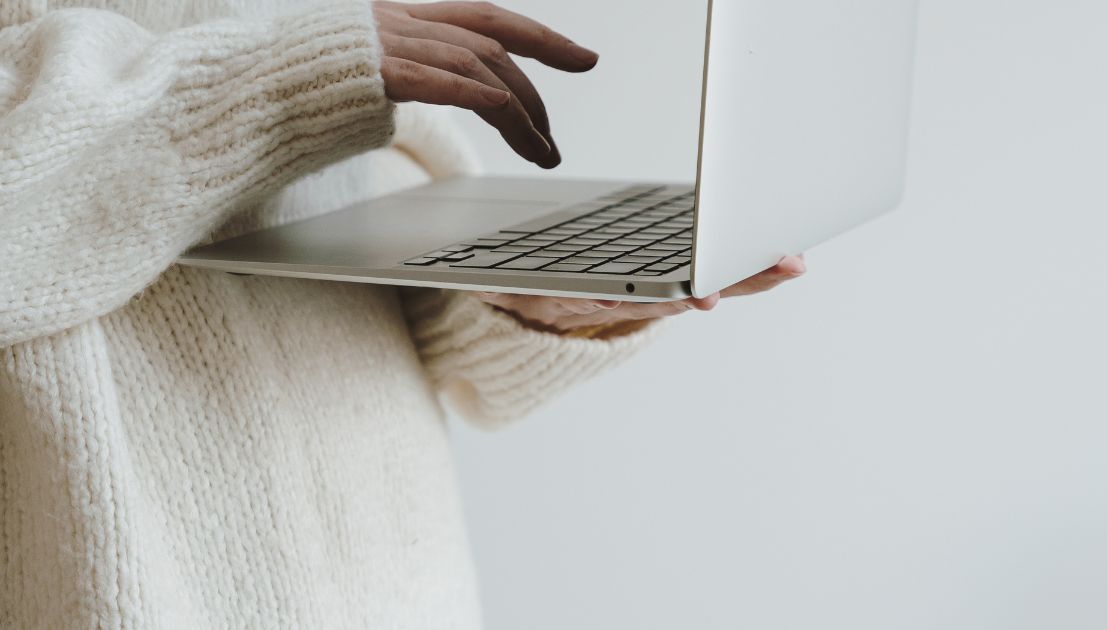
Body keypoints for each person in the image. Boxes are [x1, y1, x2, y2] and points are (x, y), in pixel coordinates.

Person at [0, 0, 806, 626]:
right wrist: (282, 82)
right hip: (112, 581)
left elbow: (329, 231)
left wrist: (522, 305)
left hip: (392, 575)